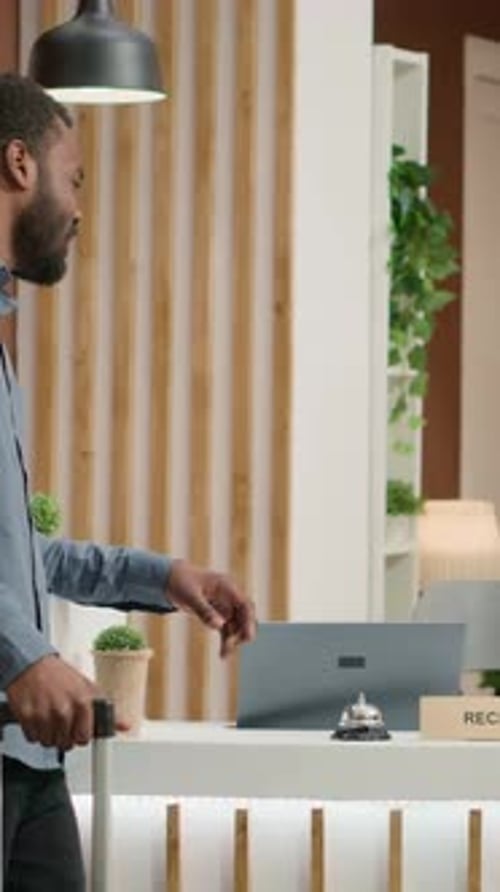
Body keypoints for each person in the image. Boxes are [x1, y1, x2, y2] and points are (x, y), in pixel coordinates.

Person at [0, 72, 256, 891]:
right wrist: (20, 655)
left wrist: (164, 577)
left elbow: (19, 559)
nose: (79, 208)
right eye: (73, 176)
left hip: (25, 757)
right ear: (19, 165)